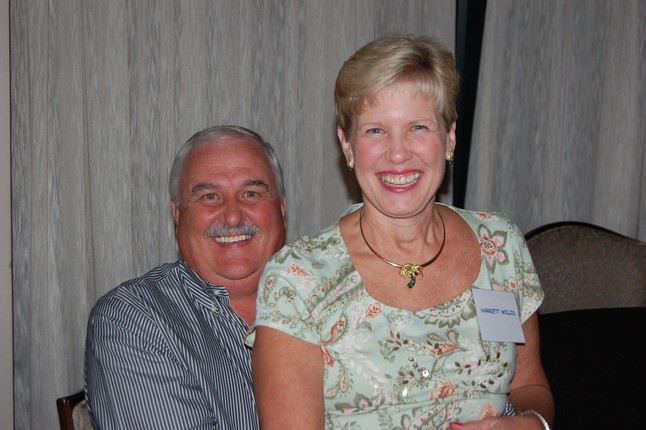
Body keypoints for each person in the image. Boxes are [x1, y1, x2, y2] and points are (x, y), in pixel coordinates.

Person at [247, 35, 554, 430]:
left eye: (418, 127)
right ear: (347, 144)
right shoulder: (298, 280)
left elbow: (530, 385)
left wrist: (533, 424)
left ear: (450, 136)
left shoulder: (500, 245)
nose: (397, 153)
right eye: (376, 131)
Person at [85, 125, 287, 430]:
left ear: (282, 209)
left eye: (251, 193)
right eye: (209, 196)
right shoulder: (132, 321)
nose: (233, 216)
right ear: (177, 214)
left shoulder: (332, 300)